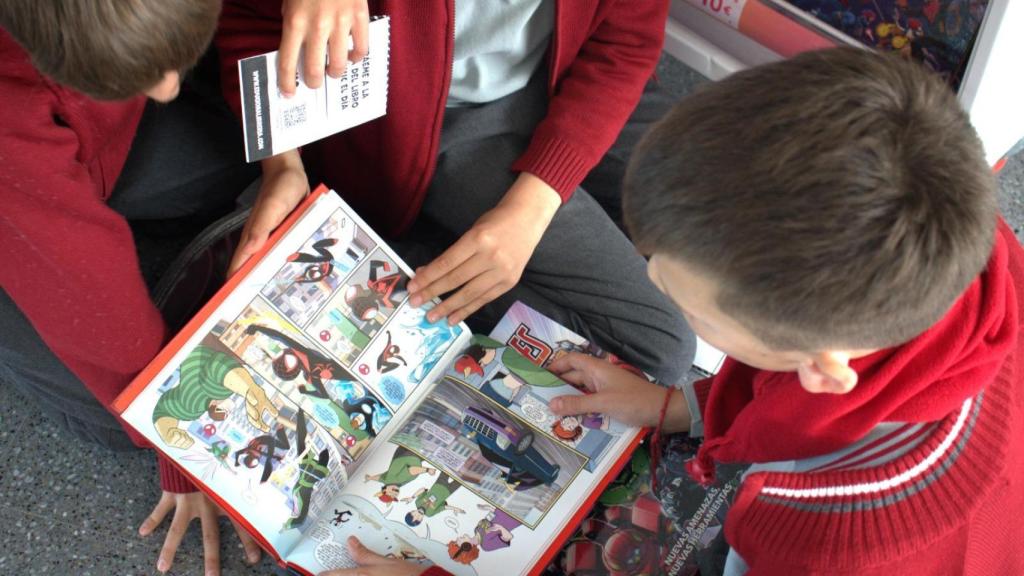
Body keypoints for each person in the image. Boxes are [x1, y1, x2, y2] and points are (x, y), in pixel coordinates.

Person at [325, 48, 1024, 576]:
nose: (649, 283)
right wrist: (677, 404)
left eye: (686, 301)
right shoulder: (970, 238)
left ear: (821, 367)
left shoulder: (830, 540)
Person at [215, 0, 696, 384]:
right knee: (660, 349)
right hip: (443, 119)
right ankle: (399, 252)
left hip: (568, 71)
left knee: (736, 224)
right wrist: (282, 164)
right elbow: (245, 24)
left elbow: (626, 42)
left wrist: (536, 200)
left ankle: (420, 242)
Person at [0, 2, 263, 574]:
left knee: (248, 165)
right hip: (17, 179)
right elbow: (88, 295)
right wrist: (183, 448)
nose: (167, 90)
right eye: (145, 74)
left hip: (89, 131)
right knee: (115, 423)